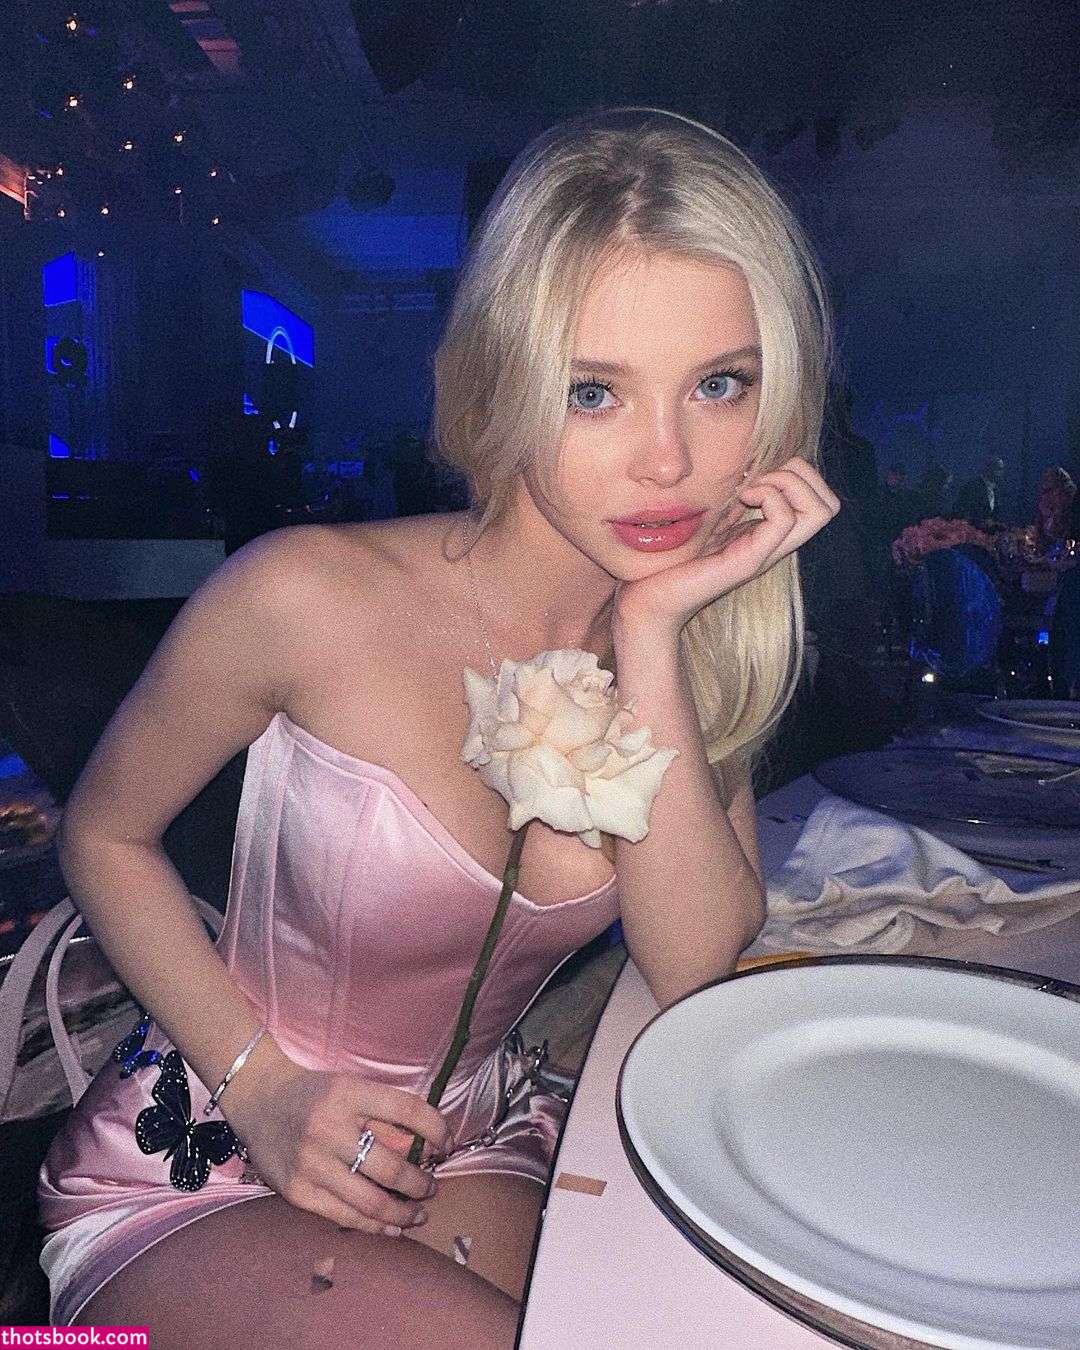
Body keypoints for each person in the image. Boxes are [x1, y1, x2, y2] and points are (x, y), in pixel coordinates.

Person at [31, 108, 837, 1347]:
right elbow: (103, 837)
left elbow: (692, 966)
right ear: (505, 377)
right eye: (594, 392)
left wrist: (652, 634)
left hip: (477, 1140)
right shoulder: (306, 596)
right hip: (206, 1146)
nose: (670, 461)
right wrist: (266, 1088)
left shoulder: (687, 647)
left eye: (719, 385)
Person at [953, 454, 1005, 529]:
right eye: (999, 469)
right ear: (989, 469)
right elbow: (960, 512)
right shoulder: (971, 487)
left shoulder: (996, 490)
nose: (1002, 473)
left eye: (1001, 469)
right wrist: (979, 522)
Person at [1032, 465, 1076, 554]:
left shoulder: (1067, 495)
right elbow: (1041, 519)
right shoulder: (1045, 496)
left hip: (1063, 541)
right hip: (1047, 540)